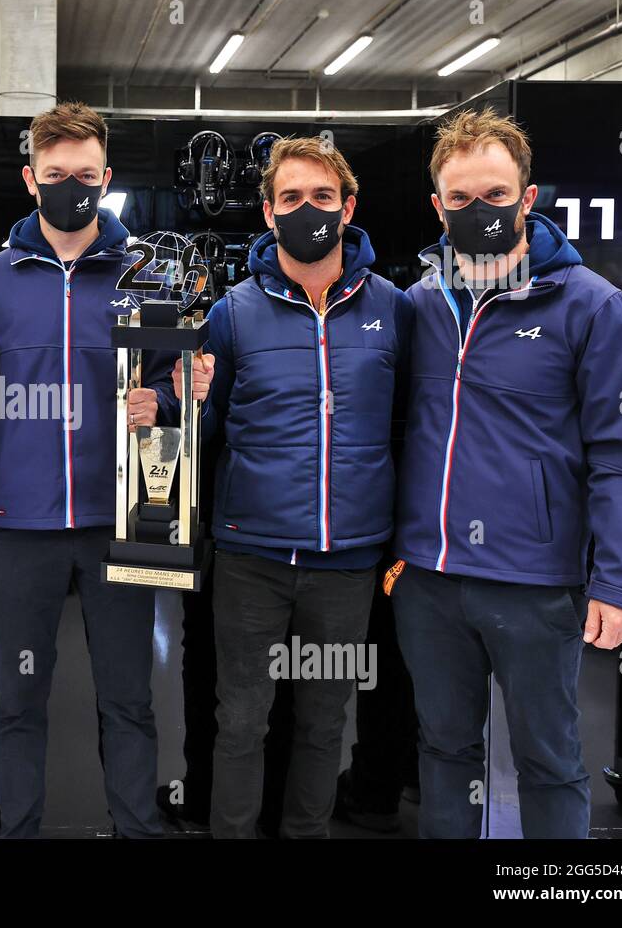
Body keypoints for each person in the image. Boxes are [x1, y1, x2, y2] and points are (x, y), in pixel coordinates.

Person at [0, 101, 207, 838]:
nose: (71, 187)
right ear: (30, 179)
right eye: (56, 174)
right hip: (21, 522)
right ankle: (18, 826)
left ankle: (136, 827)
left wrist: (178, 399)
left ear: (107, 178)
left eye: (86, 175)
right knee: (18, 699)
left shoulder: (150, 275)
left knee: (128, 699)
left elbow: (179, 400)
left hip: (129, 516)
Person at [392, 108, 622, 839]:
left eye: (496, 194)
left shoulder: (592, 306)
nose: (480, 211)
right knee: (444, 753)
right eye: (461, 198)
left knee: (549, 759)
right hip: (430, 581)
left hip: (537, 585)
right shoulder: (419, 304)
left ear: (527, 198)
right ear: (438, 206)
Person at [198, 136, 412, 838]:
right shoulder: (232, 312)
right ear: (267, 212)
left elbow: (411, 424)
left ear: (348, 207)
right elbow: (204, 426)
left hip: (348, 563)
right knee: (241, 722)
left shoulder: (395, 310)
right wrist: (173, 403)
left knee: (324, 721)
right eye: (291, 199)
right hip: (251, 558)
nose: (307, 210)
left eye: (322, 197)